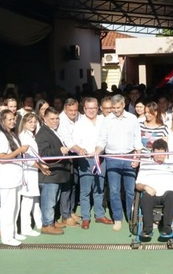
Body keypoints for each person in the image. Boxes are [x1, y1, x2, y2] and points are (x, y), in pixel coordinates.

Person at [95, 94, 143, 232]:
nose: (115, 110)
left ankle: (130, 217)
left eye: (117, 107)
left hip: (129, 157)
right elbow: (101, 140)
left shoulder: (132, 118)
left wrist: (137, 158)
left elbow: (137, 140)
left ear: (123, 105)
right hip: (112, 157)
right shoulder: (107, 120)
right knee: (114, 191)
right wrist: (97, 151)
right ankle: (117, 218)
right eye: (113, 108)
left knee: (129, 191)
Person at [135, 139, 173, 239]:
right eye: (157, 154)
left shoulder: (172, 163)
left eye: (162, 154)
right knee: (145, 196)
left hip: (166, 195)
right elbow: (137, 185)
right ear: (152, 153)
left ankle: (167, 227)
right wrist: (145, 187)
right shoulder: (145, 164)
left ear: (166, 153)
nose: (159, 157)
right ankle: (147, 228)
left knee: (171, 194)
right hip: (151, 194)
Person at [70, 97, 113, 229]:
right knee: (85, 191)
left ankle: (99, 215)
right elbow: (73, 143)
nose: (91, 111)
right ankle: (86, 217)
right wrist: (79, 149)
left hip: (100, 158)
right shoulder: (79, 123)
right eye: (89, 108)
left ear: (98, 108)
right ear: (84, 109)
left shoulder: (104, 120)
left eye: (94, 108)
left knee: (99, 189)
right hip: (86, 160)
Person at [0, 110, 31, 246]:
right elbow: (2, 157)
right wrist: (19, 151)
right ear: (2, 121)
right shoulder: (0, 136)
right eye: (9, 119)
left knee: (15, 206)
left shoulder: (13, 134)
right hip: (6, 177)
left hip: (16, 176)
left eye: (13, 119)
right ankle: (7, 237)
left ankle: (14, 232)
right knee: (7, 208)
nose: (12, 121)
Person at [36, 107, 71, 235]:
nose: (55, 121)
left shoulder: (52, 131)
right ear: (44, 119)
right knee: (48, 201)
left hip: (57, 173)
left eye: (57, 118)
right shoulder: (43, 133)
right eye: (52, 119)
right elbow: (43, 154)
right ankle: (47, 224)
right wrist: (59, 151)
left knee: (53, 200)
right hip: (50, 174)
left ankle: (51, 221)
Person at [18, 112, 49, 236]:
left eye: (35, 122)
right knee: (27, 200)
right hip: (27, 171)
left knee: (35, 199)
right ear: (24, 123)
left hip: (33, 171)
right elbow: (27, 160)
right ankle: (25, 228)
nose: (33, 124)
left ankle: (39, 222)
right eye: (30, 122)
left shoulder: (31, 135)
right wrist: (41, 167)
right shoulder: (24, 136)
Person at [57, 98, 81, 227]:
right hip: (66, 154)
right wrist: (80, 149)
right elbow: (67, 140)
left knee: (73, 183)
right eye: (70, 110)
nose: (73, 113)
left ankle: (71, 211)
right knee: (66, 185)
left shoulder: (79, 117)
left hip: (76, 154)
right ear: (65, 109)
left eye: (76, 110)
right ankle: (65, 215)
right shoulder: (61, 120)